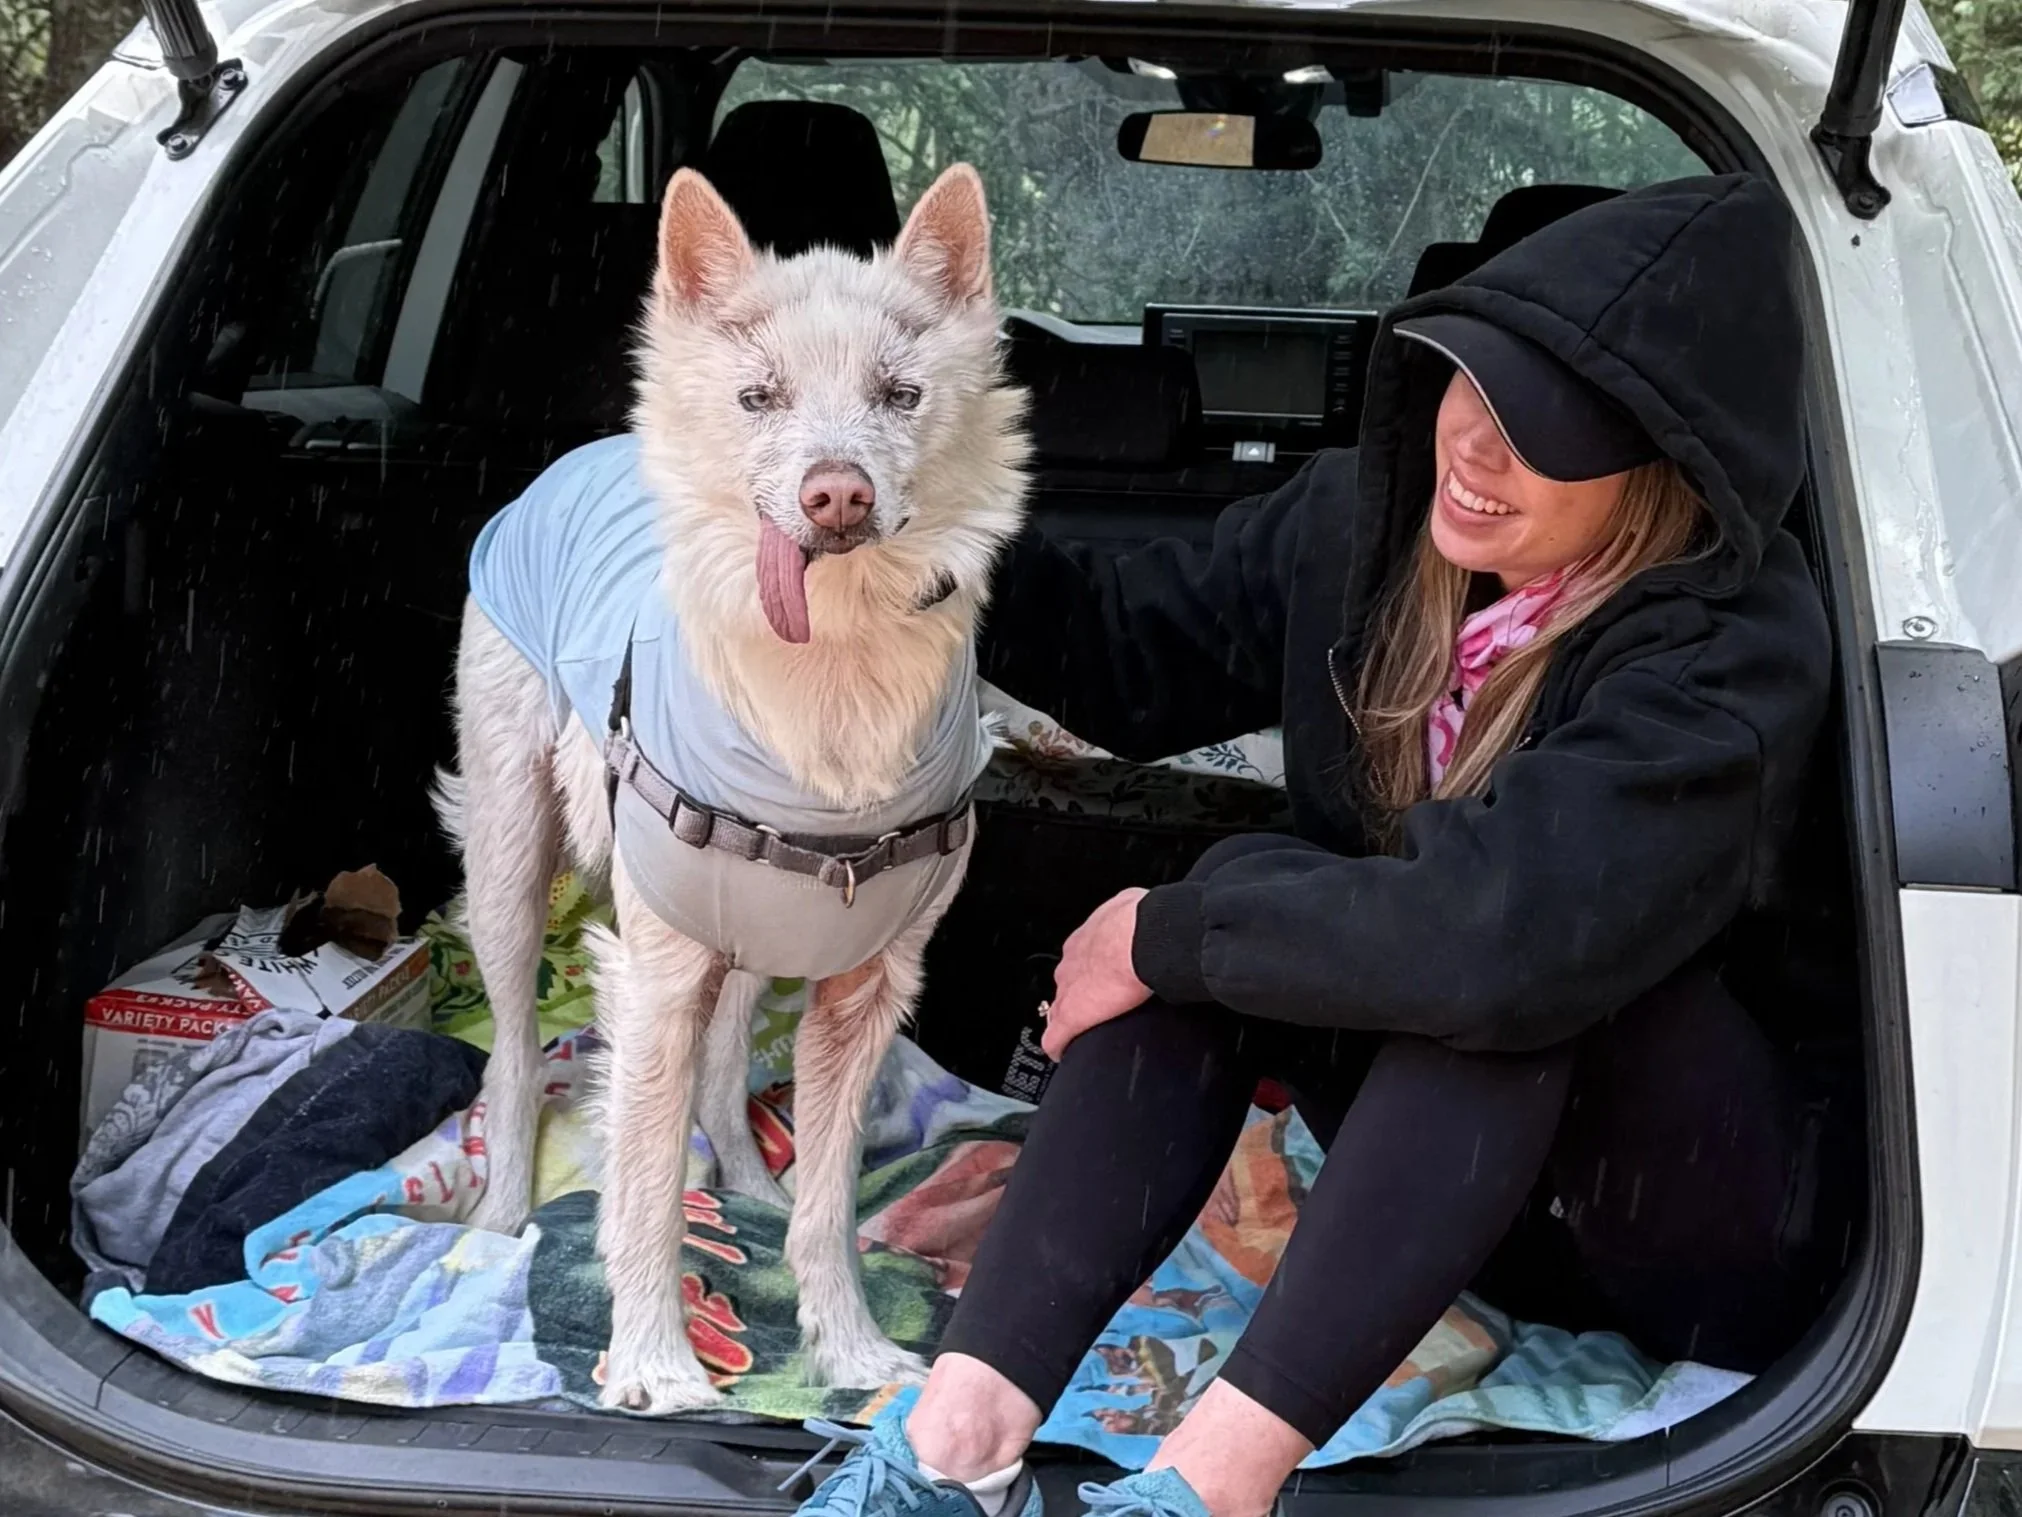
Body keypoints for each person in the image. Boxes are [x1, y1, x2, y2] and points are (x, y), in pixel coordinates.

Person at [789, 174, 1851, 1517]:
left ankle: (1209, 1489)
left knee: (1455, 965)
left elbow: (1501, 946)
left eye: (1548, 432)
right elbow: (1129, 655)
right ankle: (953, 1443)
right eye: (1469, 384)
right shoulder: (1371, 521)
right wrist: (916, 546)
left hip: (1700, 1232)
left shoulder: (1733, 651)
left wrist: (1173, 926)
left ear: (1667, 464)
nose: (1473, 449)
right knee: (1220, 950)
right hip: (1452, 1208)